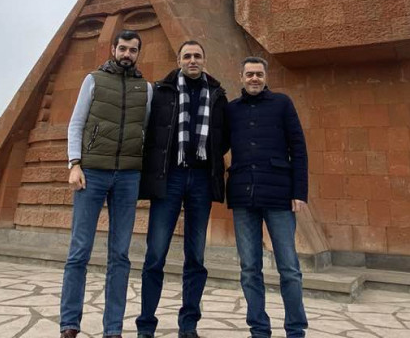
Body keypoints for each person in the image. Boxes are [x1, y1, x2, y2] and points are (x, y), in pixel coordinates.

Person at [59, 30, 153, 338]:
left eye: (133, 50)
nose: (127, 54)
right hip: (92, 173)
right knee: (79, 251)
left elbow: (146, 129)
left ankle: (113, 329)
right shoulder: (93, 80)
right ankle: (69, 324)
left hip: (128, 176)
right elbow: (76, 122)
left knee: (120, 256)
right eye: (123, 48)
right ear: (113, 49)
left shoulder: (145, 88)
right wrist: (74, 163)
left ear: (138, 53)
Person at [136, 41, 229, 338]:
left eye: (197, 56)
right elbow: (150, 132)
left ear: (204, 60)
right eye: (187, 56)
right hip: (170, 177)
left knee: (196, 257)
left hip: (201, 178)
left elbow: (223, 138)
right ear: (178, 60)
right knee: (155, 254)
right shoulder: (161, 91)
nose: (192, 60)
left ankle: (188, 326)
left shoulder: (217, 94)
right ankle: (146, 326)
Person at [227, 56, 308, 338]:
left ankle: (295, 329)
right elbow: (217, 144)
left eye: (259, 74)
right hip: (243, 195)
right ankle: (259, 329)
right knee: (249, 268)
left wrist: (299, 192)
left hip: (279, 196)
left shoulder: (282, 103)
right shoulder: (232, 109)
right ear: (241, 77)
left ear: (265, 77)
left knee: (289, 268)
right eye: (249, 74)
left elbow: (298, 148)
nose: (254, 79)